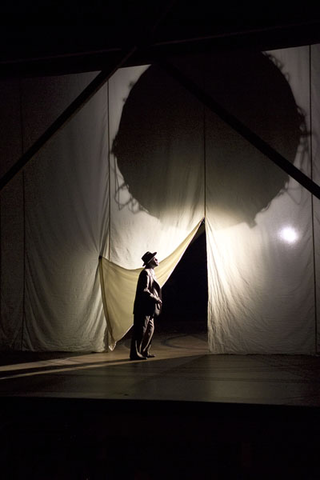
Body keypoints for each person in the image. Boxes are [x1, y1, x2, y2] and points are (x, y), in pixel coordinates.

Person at [130, 251, 162, 360]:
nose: (157, 259)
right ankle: (135, 353)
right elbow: (144, 290)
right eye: (154, 258)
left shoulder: (151, 272)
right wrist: (156, 298)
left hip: (150, 308)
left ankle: (144, 351)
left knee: (149, 330)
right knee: (140, 331)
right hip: (143, 308)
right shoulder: (145, 273)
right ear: (149, 261)